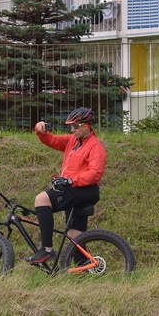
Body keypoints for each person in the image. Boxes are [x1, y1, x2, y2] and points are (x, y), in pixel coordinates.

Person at [27, 107, 106, 264]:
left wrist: (70, 180)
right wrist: (39, 129)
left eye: (75, 127)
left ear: (86, 126)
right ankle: (84, 267)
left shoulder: (95, 146)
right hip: (75, 189)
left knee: (42, 200)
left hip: (85, 189)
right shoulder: (73, 140)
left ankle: (47, 250)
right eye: (70, 126)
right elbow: (53, 140)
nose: (72, 130)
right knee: (75, 234)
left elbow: (95, 173)